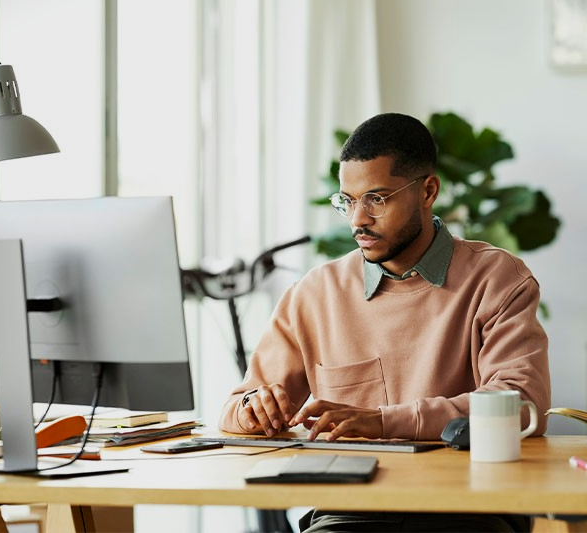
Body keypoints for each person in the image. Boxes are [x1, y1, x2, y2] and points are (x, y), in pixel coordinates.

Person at [220, 112, 550, 532]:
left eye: (377, 198)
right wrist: (255, 410)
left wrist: (382, 421)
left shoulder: (497, 279)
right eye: (348, 201)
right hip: (349, 516)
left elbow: (521, 404)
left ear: (427, 191)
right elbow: (235, 408)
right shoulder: (316, 294)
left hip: (470, 511)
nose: (358, 219)